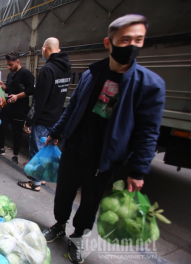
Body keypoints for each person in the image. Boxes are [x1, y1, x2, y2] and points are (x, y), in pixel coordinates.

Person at [41, 15, 165, 263]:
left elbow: (148, 132)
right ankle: (59, 225)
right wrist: (55, 132)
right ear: (109, 43)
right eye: (125, 39)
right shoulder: (91, 74)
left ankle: (78, 237)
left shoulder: (148, 85)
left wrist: (138, 170)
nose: (132, 45)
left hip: (104, 157)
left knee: (90, 201)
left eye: (138, 39)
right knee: (64, 192)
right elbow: (72, 108)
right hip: (74, 147)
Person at [18, 37, 72, 192]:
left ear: (45, 48)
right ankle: (41, 178)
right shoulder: (66, 67)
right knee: (46, 148)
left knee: (38, 150)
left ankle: (34, 183)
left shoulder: (47, 69)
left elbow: (39, 100)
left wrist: (29, 121)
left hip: (43, 119)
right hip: (56, 118)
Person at [0, 51, 35, 165]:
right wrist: (3, 86)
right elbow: (9, 89)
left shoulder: (26, 73)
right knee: (1, 127)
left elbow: (30, 90)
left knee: (17, 133)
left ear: (18, 62)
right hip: (8, 107)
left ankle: (15, 155)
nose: (9, 67)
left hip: (20, 109)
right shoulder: (11, 74)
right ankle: (1, 149)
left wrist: (17, 96)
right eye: (8, 64)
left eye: (11, 65)